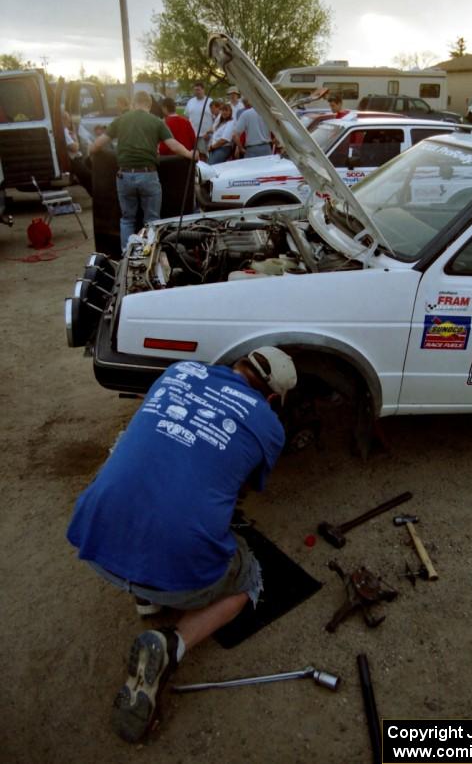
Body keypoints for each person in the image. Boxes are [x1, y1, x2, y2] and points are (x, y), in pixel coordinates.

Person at [66, 347, 297, 743]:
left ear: (239, 364)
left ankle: (147, 598)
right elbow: (242, 488)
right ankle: (172, 642)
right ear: (273, 397)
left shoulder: (180, 371)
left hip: (96, 540)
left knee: (136, 462)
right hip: (178, 565)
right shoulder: (268, 423)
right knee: (249, 576)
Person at [90, 90, 198, 251]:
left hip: (124, 176)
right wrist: (190, 154)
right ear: (149, 105)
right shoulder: (156, 122)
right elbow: (173, 145)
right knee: (152, 220)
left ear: (133, 104)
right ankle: (149, 253)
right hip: (148, 175)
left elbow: (98, 144)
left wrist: (89, 151)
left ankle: (127, 255)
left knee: (127, 219)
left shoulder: (120, 120)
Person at [62, 110, 92, 193]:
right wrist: (75, 137)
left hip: (78, 158)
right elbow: (74, 148)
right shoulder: (64, 131)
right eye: (67, 118)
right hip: (75, 160)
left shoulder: (66, 131)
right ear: (64, 120)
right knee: (89, 178)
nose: (69, 121)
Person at [184, 81, 213, 157]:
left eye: (198, 90)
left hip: (205, 135)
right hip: (193, 135)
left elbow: (216, 120)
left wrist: (210, 133)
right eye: (195, 90)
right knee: (193, 156)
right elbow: (186, 118)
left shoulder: (210, 102)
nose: (197, 92)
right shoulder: (190, 102)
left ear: (203, 90)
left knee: (204, 155)